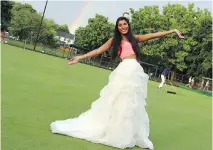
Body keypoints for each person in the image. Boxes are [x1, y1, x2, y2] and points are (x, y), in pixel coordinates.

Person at [50, 16, 184, 150]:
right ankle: (114, 131)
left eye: (125, 24)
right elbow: (98, 50)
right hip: (124, 72)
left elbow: (153, 35)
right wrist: (80, 57)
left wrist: (172, 31)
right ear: (117, 27)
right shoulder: (115, 40)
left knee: (131, 104)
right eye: (120, 25)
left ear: (128, 25)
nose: (123, 27)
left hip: (135, 72)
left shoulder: (134, 38)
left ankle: (125, 132)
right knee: (118, 101)